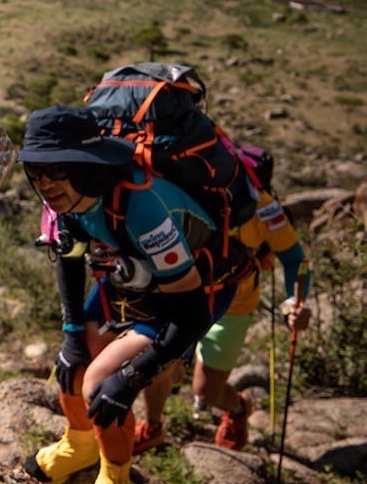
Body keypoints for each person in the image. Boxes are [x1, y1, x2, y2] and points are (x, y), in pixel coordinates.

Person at [18, 105, 251, 484]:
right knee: (71, 368)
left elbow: (192, 313)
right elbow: (69, 261)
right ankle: (80, 445)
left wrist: (132, 377)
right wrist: (72, 335)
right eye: (35, 170)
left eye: (55, 169)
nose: (44, 182)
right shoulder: (65, 200)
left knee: (101, 386)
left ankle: (115, 482)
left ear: (85, 165)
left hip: (191, 294)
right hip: (133, 281)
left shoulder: (141, 208)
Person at [132, 187, 312, 453]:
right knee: (161, 363)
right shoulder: (175, 185)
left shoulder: (262, 206)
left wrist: (294, 304)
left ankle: (238, 409)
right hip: (183, 295)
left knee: (207, 392)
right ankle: (153, 427)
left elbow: (295, 258)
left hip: (235, 304)